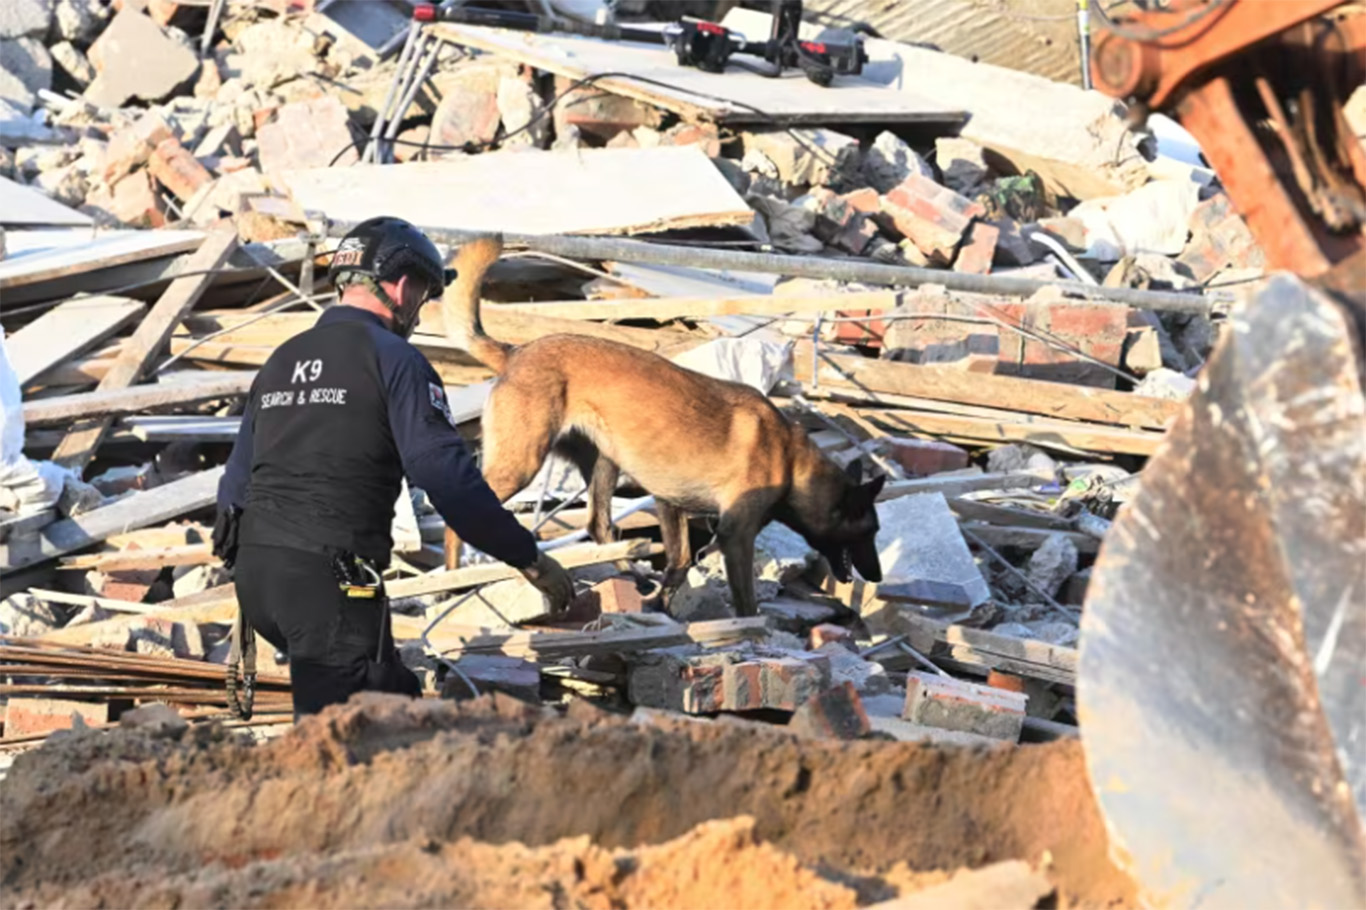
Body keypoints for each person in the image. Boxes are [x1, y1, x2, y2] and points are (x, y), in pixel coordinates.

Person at [212, 217, 573, 718]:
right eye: (423, 297)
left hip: (259, 579)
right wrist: (527, 556)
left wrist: (257, 567)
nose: (419, 315)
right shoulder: (397, 361)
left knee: (393, 697)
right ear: (401, 285)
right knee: (345, 745)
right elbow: (447, 479)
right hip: (328, 583)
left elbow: (233, 485)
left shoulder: (282, 359)